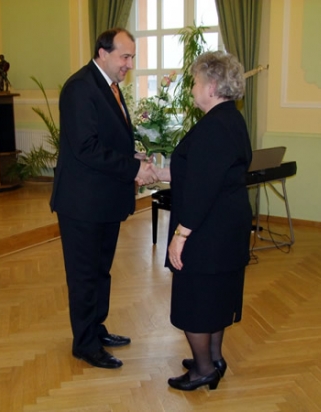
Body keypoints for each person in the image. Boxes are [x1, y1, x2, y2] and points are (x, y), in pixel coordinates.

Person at [50, 28, 157, 369]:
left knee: (100, 271)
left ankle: (96, 329)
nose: (129, 64)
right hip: (82, 203)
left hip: (104, 200)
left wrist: (133, 157)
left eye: (131, 57)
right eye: (125, 56)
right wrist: (133, 169)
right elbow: (86, 148)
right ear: (102, 53)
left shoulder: (108, 85)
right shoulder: (80, 88)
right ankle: (85, 344)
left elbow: (108, 139)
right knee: (84, 276)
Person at [154, 51, 252, 391]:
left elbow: (201, 188)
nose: (192, 88)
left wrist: (181, 235)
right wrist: (159, 172)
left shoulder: (213, 127)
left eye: (195, 82)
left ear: (211, 86)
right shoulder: (231, 119)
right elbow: (202, 170)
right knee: (216, 295)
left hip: (207, 230)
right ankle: (213, 357)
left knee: (195, 300)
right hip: (227, 226)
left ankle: (203, 370)